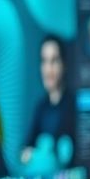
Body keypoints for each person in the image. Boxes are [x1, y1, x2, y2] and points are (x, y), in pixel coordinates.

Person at [20, 33, 75, 169]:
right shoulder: (41, 107)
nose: (48, 69)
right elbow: (25, 150)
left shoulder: (74, 106)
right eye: (44, 61)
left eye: (54, 61)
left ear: (64, 64)